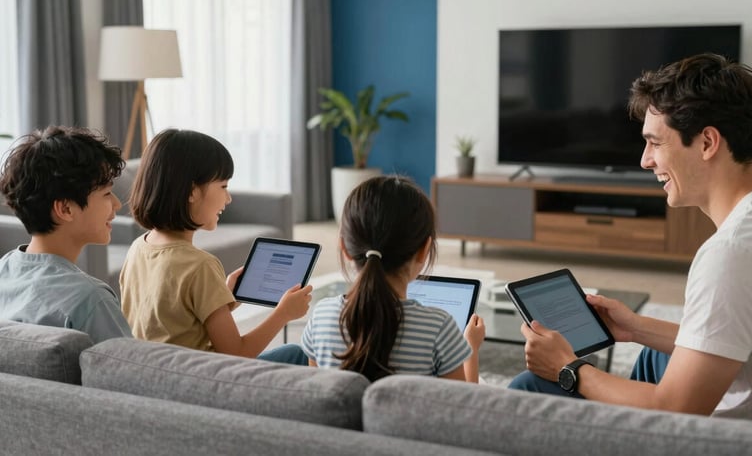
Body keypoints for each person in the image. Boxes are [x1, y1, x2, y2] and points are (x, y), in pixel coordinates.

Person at [507, 53, 752, 420]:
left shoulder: (732, 253)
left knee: (530, 387)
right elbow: (738, 338)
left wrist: (569, 368)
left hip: (705, 440)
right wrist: (634, 328)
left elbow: (678, 407)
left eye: (656, 143)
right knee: (656, 353)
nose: (645, 160)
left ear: (708, 142)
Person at [119, 128, 311, 363]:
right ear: (191, 192)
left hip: (159, 374)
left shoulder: (139, 247)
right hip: (203, 381)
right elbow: (237, 354)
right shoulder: (200, 265)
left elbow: (171, 322)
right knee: (297, 354)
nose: (228, 198)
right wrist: (283, 314)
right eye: (223, 186)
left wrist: (222, 298)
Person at [301, 175, 486, 382]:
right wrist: (471, 349)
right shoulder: (438, 328)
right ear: (424, 251)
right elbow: (461, 408)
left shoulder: (321, 316)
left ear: (345, 248)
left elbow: (316, 398)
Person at [0, 126, 132, 343]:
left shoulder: (3, 271)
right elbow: (128, 372)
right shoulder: (91, 300)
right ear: (66, 209)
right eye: (107, 193)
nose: (117, 204)